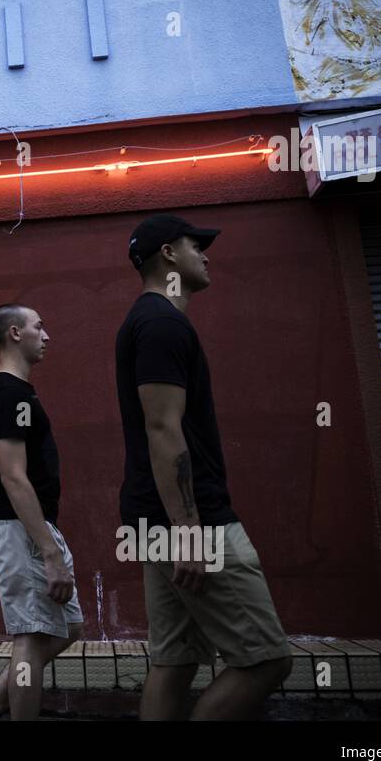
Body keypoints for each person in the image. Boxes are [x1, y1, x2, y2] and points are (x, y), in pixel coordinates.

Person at [115, 213, 292, 720]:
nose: (206, 254)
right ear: (168, 254)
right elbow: (163, 429)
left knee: (175, 661)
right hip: (190, 524)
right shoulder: (161, 324)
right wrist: (190, 530)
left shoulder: (151, 322)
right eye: (197, 245)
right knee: (267, 660)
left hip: (159, 520)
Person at [0, 304, 82, 721]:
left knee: (70, 626)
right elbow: (13, 477)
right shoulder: (9, 393)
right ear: (14, 333)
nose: (47, 336)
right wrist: (48, 551)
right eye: (38, 327)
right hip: (17, 526)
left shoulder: (19, 392)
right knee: (31, 636)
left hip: (31, 524)